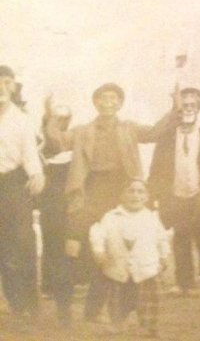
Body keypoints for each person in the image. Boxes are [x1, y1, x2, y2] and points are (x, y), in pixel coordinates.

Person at [44, 84, 177, 321]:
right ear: (96, 103)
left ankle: (99, 311)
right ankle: (63, 307)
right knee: (72, 247)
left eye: (114, 99)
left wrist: (175, 108)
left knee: (116, 253)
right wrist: (51, 117)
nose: (109, 103)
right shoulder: (83, 130)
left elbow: (156, 132)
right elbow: (59, 141)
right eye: (103, 99)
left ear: (120, 103)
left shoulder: (129, 128)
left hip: (121, 194)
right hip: (88, 192)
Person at [147, 87, 200, 296]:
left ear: (199, 108)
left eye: (192, 105)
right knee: (180, 235)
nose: (187, 110)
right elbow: (157, 166)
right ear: (177, 110)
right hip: (176, 193)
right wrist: (153, 195)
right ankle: (184, 283)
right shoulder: (168, 135)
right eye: (183, 106)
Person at [89, 179, 170, 337]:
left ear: (147, 197)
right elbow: (98, 234)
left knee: (149, 300)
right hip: (118, 267)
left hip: (145, 268)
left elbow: (161, 238)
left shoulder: (151, 218)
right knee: (117, 299)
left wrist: (164, 255)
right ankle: (117, 323)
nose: (135, 195)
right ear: (121, 195)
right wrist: (99, 252)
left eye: (140, 192)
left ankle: (150, 327)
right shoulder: (111, 217)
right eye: (130, 191)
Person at [0, 65, 45, 329]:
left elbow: (30, 151)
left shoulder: (22, 119)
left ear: (13, 87)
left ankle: (28, 304)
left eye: (7, 83)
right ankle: (14, 302)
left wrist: (36, 174)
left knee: (22, 243)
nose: (2, 88)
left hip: (14, 184)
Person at [39, 101, 75, 325]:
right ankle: (53, 289)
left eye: (64, 119)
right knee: (53, 247)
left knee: (68, 249)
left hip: (70, 203)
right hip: (50, 204)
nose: (60, 123)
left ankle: (65, 299)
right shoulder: (42, 144)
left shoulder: (71, 141)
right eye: (56, 119)